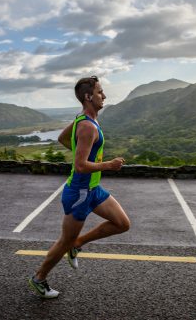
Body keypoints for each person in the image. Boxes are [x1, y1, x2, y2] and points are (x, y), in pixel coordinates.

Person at [28, 75, 130, 298]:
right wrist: (109, 165)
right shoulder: (86, 126)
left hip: (93, 189)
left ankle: (78, 243)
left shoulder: (84, 120)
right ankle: (39, 278)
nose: (104, 95)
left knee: (122, 223)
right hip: (79, 193)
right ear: (88, 96)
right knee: (64, 241)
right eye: (100, 92)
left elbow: (63, 139)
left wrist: (80, 149)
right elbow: (81, 165)